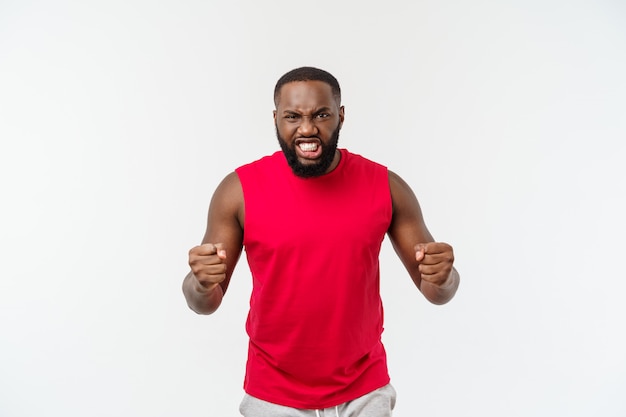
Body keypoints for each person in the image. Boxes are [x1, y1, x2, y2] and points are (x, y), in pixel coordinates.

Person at [182, 67, 460, 417]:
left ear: (340, 115)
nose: (307, 128)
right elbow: (203, 303)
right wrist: (201, 282)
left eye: (321, 115)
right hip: (273, 392)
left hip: (363, 389)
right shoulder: (237, 191)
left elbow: (437, 292)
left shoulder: (386, 187)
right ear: (276, 119)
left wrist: (444, 276)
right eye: (292, 116)